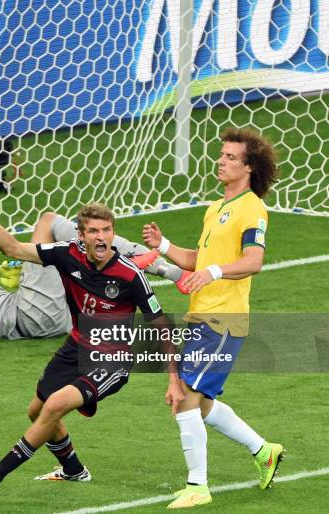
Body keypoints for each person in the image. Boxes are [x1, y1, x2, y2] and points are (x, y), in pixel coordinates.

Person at [0, 178, 184, 493]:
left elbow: (161, 324)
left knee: (54, 405)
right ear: (82, 236)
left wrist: (173, 379)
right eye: (93, 231)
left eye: (107, 230)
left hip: (111, 360)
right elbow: (12, 248)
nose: (101, 237)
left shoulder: (129, 275)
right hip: (76, 347)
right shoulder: (68, 254)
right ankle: (74, 470)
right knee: (36, 411)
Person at [142, 128, 283, 508]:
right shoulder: (215, 209)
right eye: (221, 155)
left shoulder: (252, 208)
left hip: (224, 319)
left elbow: (253, 261)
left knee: (186, 396)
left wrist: (215, 273)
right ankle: (263, 450)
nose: (220, 161)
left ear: (249, 167)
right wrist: (165, 246)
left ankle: (197, 486)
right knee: (200, 403)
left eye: (231, 157)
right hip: (203, 316)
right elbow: (199, 263)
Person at [0, 213, 190, 340]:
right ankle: (155, 266)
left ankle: (113, 261)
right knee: (49, 224)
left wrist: (22, 275)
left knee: (71, 261)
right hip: (30, 317)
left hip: (59, 318)